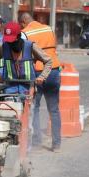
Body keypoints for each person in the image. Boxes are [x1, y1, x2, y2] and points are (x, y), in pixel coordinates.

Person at [0, 21, 57, 150]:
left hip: (28, 89)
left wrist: (42, 77)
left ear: (18, 36)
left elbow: (48, 61)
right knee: (7, 117)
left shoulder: (30, 46)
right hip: (9, 88)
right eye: (7, 40)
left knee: (27, 123)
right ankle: (7, 147)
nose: (10, 43)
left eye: (12, 40)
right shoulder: (3, 47)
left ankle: (25, 152)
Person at [19, 13, 62, 153]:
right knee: (54, 109)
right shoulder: (49, 29)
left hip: (37, 73)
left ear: (24, 22)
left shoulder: (24, 33)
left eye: (21, 24)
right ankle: (56, 145)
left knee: (34, 108)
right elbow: (54, 48)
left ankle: (37, 141)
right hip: (54, 70)